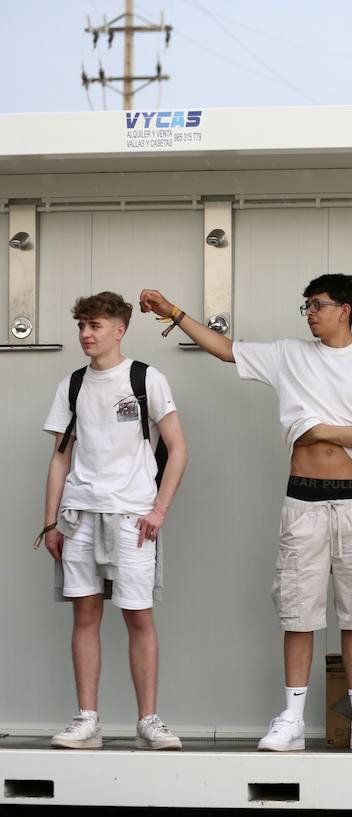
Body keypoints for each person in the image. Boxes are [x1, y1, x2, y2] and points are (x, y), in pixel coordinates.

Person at [139, 277, 352, 752]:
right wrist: (173, 311)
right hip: (301, 500)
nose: (308, 313)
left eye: (317, 305)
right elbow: (225, 350)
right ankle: (293, 719)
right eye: (305, 305)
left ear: (344, 310)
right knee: (298, 611)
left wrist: (317, 429)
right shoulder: (290, 354)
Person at [39, 292, 188, 750]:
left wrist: (158, 509)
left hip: (132, 515)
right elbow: (60, 459)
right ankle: (88, 720)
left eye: (95, 325)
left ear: (119, 329)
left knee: (138, 615)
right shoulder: (73, 384)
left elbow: (178, 448)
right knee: (85, 614)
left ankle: (149, 722)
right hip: (80, 513)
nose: (86, 334)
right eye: (82, 325)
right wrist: (50, 523)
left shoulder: (145, 378)